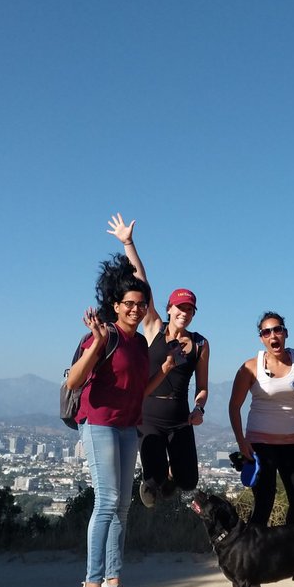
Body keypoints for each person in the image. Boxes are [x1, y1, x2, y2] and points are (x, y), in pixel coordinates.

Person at [68, 244, 176, 587]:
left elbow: (137, 391)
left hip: (127, 426)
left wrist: (161, 372)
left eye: (141, 303)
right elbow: (73, 382)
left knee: (124, 505)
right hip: (98, 423)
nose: (136, 308)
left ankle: (114, 582)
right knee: (108, 500)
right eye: (129, 302)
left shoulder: (138, 342)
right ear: (115, 304)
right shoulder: (106, 335)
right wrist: (96, 343)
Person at [108, 214, 210, 507]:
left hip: (179, 418)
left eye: (189, 309)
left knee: (189, 481)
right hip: (149, 413)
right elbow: (143, 282)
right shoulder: (154, 327)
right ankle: (153, 478)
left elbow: (202, 386)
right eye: (179, 307)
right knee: (152, 483)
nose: (184, 312)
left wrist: (200, 406)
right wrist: (129, 243)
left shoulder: (201, 343)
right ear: (169, 308)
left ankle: (166, 475)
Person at [228, 312, 294, 528]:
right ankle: (253, 556)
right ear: (262, 338)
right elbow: (234, 406)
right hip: (260, 444)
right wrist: (241, 441)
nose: (273, 335)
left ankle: (289, 556)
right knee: (264, 503)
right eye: (267, 332)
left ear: (285, 333)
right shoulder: (249, 367)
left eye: (277, 329)